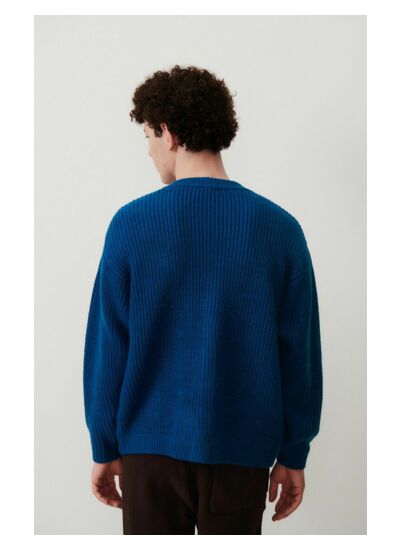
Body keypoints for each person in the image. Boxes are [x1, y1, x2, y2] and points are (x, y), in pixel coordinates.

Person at [83, 64, 323, 535]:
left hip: (149, 453)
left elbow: (109, 346)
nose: (149, 152)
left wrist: (104, 445)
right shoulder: (280, 230)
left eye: (149, 137)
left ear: (168, 133)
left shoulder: (131, 225)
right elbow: (300, 355)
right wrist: (294, 452)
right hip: (242, 456)